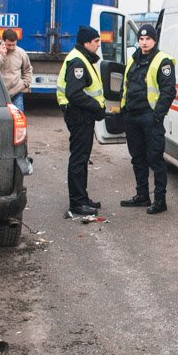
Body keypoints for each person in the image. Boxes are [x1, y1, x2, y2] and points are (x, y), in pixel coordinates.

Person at [119, 24, 176, 214]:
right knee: (137, 158)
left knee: (155, 159)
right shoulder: (133, 59)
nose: (144, 42)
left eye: (148, 39)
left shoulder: (163, 61)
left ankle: (160, 200)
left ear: (154, 40)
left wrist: (157, 116)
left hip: (150, 117)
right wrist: (123, 109)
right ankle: (142, 195)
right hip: (133, 116)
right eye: (141, 39)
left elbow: (168, 91)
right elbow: (125, 85)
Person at [56, 25, 106, 217]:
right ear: (86, 43)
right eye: (96, 42)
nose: (98, 45)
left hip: (82, 116)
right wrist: (96, 106)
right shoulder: (78, 61)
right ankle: (77, 203)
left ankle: (82, 198)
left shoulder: (83, 58)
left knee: (82, 158)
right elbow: (74, 94)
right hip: (79, 116)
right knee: (78, 159)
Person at [0, 28, 32, 110]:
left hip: (16, 93)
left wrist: (25, 84)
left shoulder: (21, 53)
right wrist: (1, 56)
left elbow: (28, 69)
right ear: (2, 41)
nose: (11, 47)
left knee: (18, 121)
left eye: (13, 45)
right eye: (9, 45)